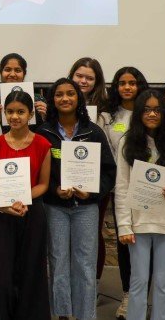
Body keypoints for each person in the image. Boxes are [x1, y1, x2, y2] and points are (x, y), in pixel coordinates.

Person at [37, 78, 115, 320]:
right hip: (55, 207)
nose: (65, 98)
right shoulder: (43, 133)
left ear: (78, 98)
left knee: (85, 264)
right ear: (53, 100)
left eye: (70, 94)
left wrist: (91, 192)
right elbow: (37, 171)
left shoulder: (93, 131)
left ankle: (85, 315)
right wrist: (54, 190)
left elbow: (109, 171)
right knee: (58, 262)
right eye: (59, 94)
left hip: (86, 208)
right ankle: (62, 314)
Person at [113, 90, 165, 320]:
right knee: (138, 281)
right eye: (146, 109)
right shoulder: (128, 141)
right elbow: (122, 186)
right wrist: (124, 226)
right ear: (138, 113)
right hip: (139, 224)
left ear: (164, 113)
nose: (152, 114)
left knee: (163, 282)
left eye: (157, 109)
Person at [0, 90, 52, 320]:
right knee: (3, 276)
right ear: (4, 114)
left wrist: (23, 200)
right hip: (2, 215)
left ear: (31, 114)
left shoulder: (43, 144)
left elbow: (44, 184)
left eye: (21, 112)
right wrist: (2, 204)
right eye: (11, 112)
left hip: (31, 214)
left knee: (30, 273)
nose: (15, 117)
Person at [99, 66, 149, 317]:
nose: (127, 87)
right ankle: (129, 295)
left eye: (132, 82)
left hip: (149, 188)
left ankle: (150, 295)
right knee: (126, 241)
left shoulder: (149, 112)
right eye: (122, 83)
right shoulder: (108, 116)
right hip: (120, 186)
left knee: (150, 240)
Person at [68, 57, 110, 282]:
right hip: (64, 179)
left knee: (92, 234)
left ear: (97, 81)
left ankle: (91, 284)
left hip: (93, 179)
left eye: (89, 78)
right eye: (79, 76)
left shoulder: (105, 110)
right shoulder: (58, 103)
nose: (83, 81)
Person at [0, 53, 47, 125]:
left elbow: (45, 130)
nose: (12, 74)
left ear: (24, 74)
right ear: (0, 72)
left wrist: (44, 117)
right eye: (7, 70)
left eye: (17, 70)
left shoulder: (38, 99)